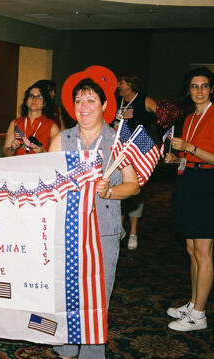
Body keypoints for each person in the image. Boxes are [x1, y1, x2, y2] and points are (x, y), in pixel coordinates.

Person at [49, 77, 140, 359]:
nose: (84, 107)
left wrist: (110, 191)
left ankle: (91, 353)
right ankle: (66, 347)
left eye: (90, 100)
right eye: (78, 100)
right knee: (65, 292)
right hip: (66, 231)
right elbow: (45, 182)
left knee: (96, 298)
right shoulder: (61, 140)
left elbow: (133, 185)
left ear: (104, 105)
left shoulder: (118, 141)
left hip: (103, 230)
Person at [164, 67, 214, 332]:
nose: (199, 91)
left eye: (204, 86)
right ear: (188, 89)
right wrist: (178, 158)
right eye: (194, 86)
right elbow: (192, 155)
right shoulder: (191, 117)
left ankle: (199, 315)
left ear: (211, 88)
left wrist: (189, 148)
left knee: (204, 252)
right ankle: (193, 303)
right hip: (188, 180)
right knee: (191, 250)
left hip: (207, 185)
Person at [114, 71, 158, 250]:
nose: (118, 86)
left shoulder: (144, 101)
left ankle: (133, 232)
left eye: (121, 83)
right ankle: (119, 229)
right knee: (118, 189)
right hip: (118, 151)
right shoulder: (118, 101)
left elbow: (163, 117)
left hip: (137, 152)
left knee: (135, 191)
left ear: (130, 85)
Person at [3, 84, 59, 156]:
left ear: (44, 103)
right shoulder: (15, 123)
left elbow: (56, 158)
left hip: (40, 166)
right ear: (26, 101)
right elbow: (6, 154)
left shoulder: (52, 127)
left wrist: (43, 152)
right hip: (18, 166)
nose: (34, 99)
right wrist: (12, 148)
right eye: (31, 96)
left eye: (39, 96)